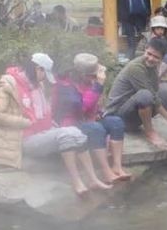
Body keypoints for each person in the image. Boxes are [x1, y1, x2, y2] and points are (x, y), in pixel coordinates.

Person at [0, 53, 110, 195]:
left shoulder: (37, 84)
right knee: (67, 134)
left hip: (42, 133)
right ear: (38, 69)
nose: (44, 79)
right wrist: (25, 122)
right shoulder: (9, 84)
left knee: (76, 133)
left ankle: (93, 179)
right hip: (24, 138)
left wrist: (52, 124)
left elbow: (45, 112)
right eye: (44, 74)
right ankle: (77, 182)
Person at [104, 37, 167, 149]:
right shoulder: (135, 68)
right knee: (145, 95)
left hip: (132, 112)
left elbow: (156, 90)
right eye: (149, 54)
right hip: (118, 118)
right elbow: (152, 96)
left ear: (162, 58)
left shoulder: (152, 67)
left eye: (156, 57)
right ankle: (150, 133)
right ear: (145, 49)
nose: (151, 58)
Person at [54, 53, 132, 184]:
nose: (95, 78)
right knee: (96, 128)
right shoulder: (66, 85)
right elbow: (82, 107)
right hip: (71, 123)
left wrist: (100, 112)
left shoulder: (89, 81)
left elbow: (93, 106)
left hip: (89, 119)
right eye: (93, 75)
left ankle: (117, 166)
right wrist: (98, 86)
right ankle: (106, 172)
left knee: (116, 122)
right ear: (82, 74)